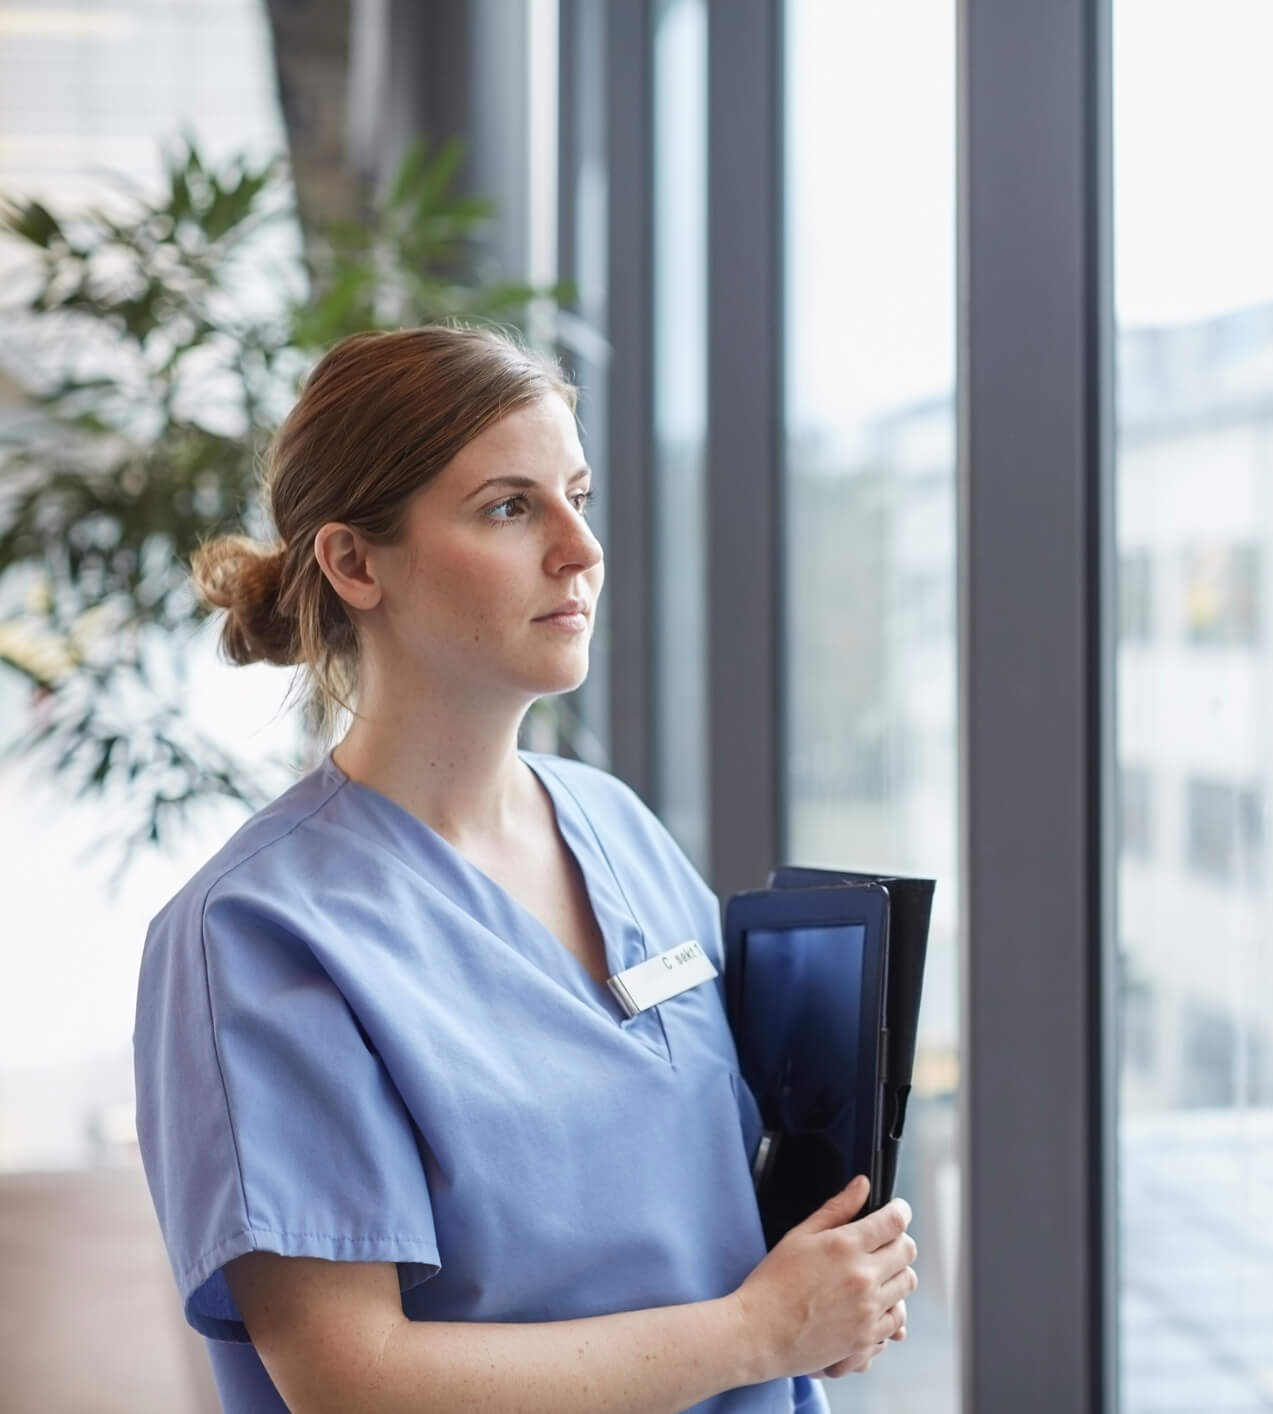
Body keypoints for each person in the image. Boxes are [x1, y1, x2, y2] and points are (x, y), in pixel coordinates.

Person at [131, 324, 915, 1414]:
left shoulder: (618, 826)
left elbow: (727, 1201)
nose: (580, 548)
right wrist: (757, 1331)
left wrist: (830, 1293)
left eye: (576, 495)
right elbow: (356, 1382)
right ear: (356, 562)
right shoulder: (255, 936)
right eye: (510, 506)